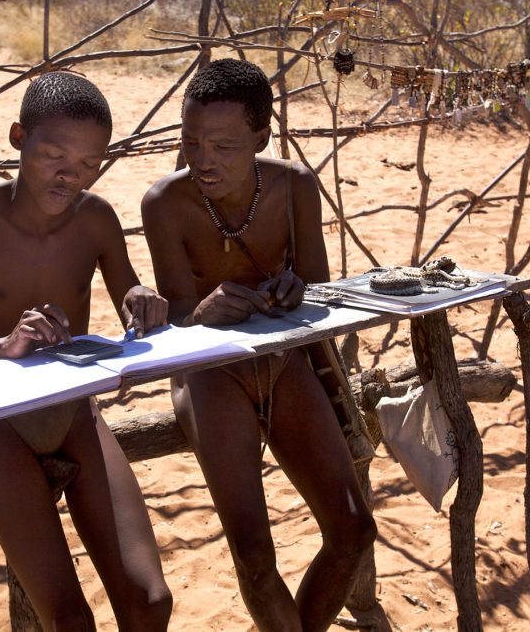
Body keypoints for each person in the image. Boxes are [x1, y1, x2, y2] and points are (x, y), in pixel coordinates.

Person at [0, 71, 173, 631]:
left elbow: (130, 294)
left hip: (74, 409)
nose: (69, 175)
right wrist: (2, 347)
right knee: (70, 621)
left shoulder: (96, 220)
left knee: (149, 603)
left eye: (88, 164)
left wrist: (141, 302)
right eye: (52, 154)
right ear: (17, 138)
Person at [141, 58, 376, 631]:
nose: (202, 159)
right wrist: (201, 312)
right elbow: (173, 317)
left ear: (261, 137)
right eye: (191, 141)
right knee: (253, 557)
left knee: (352, 529)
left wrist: (295, 290)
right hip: (208, 372)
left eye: (223, 145)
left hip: (284, 362)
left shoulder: (294, 186)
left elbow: (321, 290)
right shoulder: (164, 204)